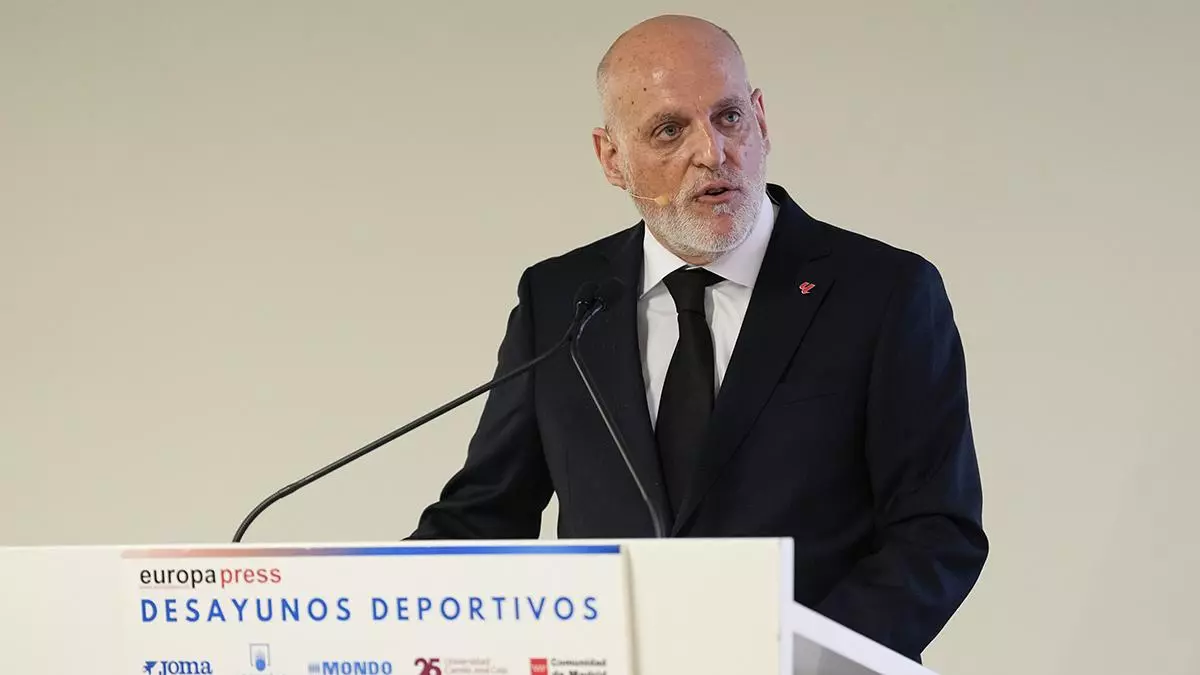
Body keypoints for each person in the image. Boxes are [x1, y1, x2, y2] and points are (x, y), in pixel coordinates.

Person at [409, 14, 987, 662]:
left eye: (728, 117)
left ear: (761, 119)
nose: (712, 152)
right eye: (669, 129)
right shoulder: (562, 300)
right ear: (611, 158)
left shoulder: (883, 292)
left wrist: (797, 660)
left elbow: (935, 530)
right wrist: (364, 609)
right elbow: (488, 515)